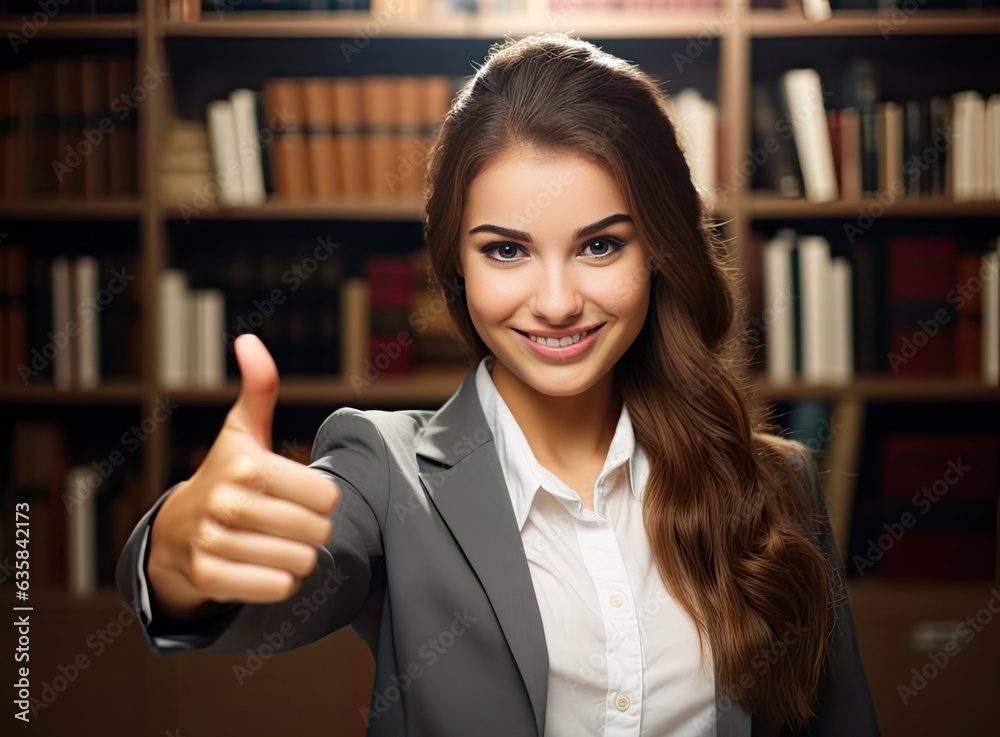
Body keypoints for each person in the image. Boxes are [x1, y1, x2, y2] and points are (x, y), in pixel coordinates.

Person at [117, 32, 879, 737]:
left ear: (658, 250)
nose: (556, 302)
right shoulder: (385, 472)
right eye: (507, 250)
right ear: (456, 261)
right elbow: (279, 584)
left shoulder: (777, 484)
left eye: (600, 245)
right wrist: (178, 557)